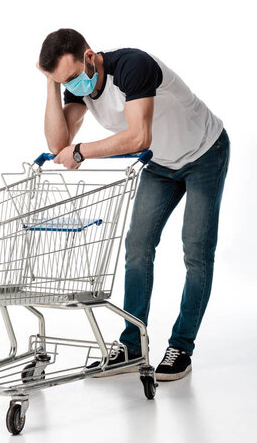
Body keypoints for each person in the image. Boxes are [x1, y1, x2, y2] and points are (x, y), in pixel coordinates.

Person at [37, 28, 230, 381]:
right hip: (161, 165)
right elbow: (57, 143)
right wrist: (51, 83)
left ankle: (181, 347)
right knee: (138, 248)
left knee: (196, 252)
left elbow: (140, 137)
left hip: (205, 153)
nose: (72, 85)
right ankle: (133, 345)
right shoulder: (77, 86)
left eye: (73, 76)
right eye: (63, 81)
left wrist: (82, 152)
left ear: (90, 57)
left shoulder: (132, 66)